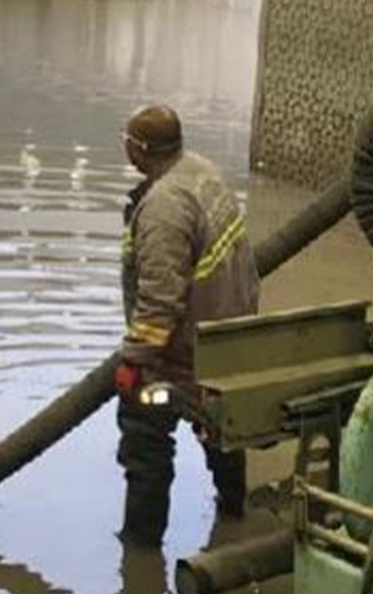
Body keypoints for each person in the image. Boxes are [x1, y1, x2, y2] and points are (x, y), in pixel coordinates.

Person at [113, 104, 260, 546]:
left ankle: (140, 552)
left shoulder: (162, 208)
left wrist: (135, 363)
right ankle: (234, 512)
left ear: (138, 150)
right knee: (221, 429)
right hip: (227, 341)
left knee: (144, 438)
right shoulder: (202, 172)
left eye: (127, 139)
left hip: (182, 359)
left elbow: (159, 301)